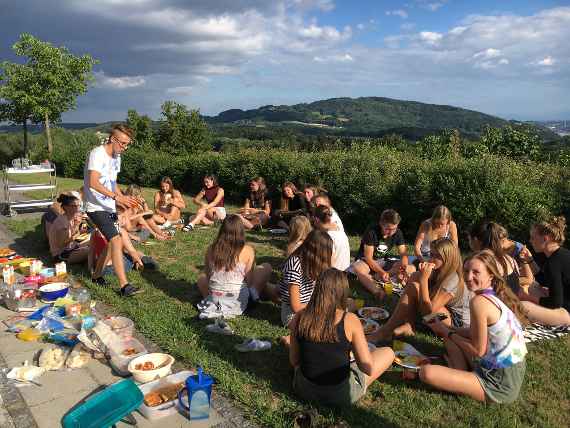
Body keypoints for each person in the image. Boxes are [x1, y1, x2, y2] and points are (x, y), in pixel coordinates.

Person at [420, 250, 528, 404]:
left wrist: (447, 332)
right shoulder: (493, 295)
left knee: (427, 373)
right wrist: (449, 330)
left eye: (476, 272)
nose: (469, 277)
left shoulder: (479, 302)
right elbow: (474, 333)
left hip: (499, 382)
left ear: (490, 275)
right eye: (466, 271)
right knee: (449, 338)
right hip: (504, 369)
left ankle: (460, 376)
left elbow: (478, 351)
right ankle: (460, 374)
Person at [289, 268, 395, 406]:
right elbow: (367, 367)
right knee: (388, 352)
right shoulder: (349, 320)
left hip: (304, 390)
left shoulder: (300, 316)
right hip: (340, 395)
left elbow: (294, 361)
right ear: (343, 292)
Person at [370, 237, 469, 342]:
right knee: (415, 279)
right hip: (436, 316)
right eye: (431, 254)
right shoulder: (438, 268)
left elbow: (429, 312)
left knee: (420, 287)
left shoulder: (453, 278)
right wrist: (412, 278)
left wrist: (424, 280)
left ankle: (385, 332)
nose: (431, 259)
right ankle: (409, 325)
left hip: (456, 324)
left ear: (448, 258)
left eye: (437, 256)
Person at [83, 124, 141, 297]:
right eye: (123, 143)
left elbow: (112, 183)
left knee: (111, 242)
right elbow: (93, 182)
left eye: (127, 144)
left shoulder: (117, 157)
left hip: (108, 205)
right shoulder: (97, 154)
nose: (124, 147)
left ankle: (96, 275)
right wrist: (117, 198)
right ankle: (124, 286)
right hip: (95, 206)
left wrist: (123, 199)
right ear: (112, 139)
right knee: (116, 240)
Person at [196, 215, 272, 318]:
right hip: (238, 300)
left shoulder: (211, 249)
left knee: (202, 279)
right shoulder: (248, 250)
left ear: (222, 229)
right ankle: (254, 296)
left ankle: (215, 302)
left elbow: (209, 276)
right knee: (266, 267)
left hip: (216, 296)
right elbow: (249, 280)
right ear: (241, 230)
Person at [350, 209, 412, 299]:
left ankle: (377, 277)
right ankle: (377, 291)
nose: (391, 232)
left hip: (383, 261)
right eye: (387, 229)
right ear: (381, 223)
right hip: (367, 261)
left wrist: (404, 267)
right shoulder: (371, 232)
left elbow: (403, 254)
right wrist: (382, 272)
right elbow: (368, 258)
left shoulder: (398, 233)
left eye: (394, 229)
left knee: (411, 267)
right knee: (358, 268)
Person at [522, 216, 570, 325]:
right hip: (565, 302)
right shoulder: (563, 254)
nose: (530, 241)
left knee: (523, 305)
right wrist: (529, 260)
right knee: (533, 286)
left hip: (566, 313)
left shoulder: (553, 263)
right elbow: (545, 281)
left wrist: (527, 297)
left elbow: (555, 303)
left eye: (533, 238)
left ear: (545, 238)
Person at [280, 230, 333, 326]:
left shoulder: (315, 264)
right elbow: (296, 306)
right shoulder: (295, 264)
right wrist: (319, 306)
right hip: (294, 315)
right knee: (330, 322)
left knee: (345, 305)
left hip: (310, 306)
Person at [48, 194, 90, 264]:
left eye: (79, 205)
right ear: (65, 207)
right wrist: (79, 233)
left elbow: (70, 236)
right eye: (74, 206)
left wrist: (76, 225)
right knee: (90, 250)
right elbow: (62, 244)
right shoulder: (62, 223)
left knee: (93, 239)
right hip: (61, 255)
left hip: (70, 248)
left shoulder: (70, 218)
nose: (77, 208)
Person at [313, 205, 351, 271]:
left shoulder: (326, 237)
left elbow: (327, 262)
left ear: (316, 219)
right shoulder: (342, 233)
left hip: (331, 276)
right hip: (344, 274)